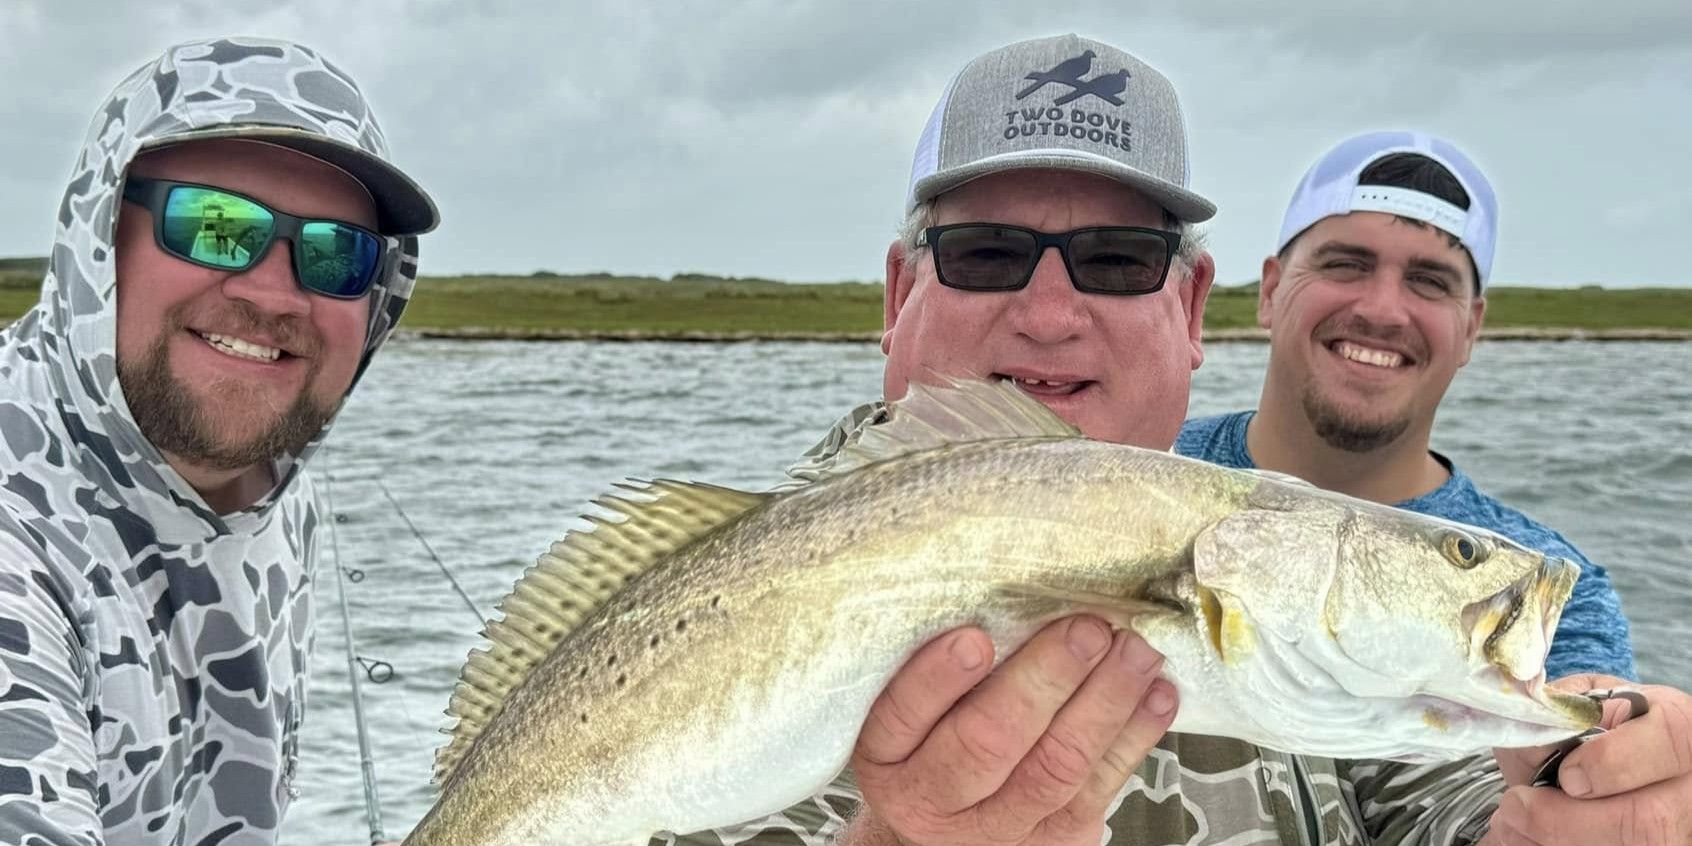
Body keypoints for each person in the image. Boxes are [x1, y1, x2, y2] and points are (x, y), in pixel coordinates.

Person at [657, 36, 1689, 846]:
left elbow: (1446, 802)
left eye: (1117, 260)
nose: (1051, 312)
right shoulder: (694, 601)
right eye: (985, 254)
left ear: (1193, 309)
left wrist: (1575, 810)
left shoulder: (1269, 572)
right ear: (898, 293)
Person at [0, 37, 438, 845]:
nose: (275, 292)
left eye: (336, 255)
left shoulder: (262, 470)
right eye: (212, 225)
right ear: (100, 236)